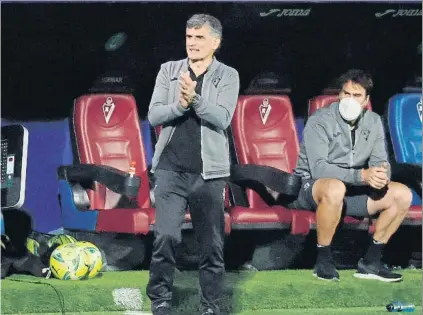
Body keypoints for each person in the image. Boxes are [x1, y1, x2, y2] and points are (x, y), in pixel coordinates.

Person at [146, 14, 240, 315]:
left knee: (211, 245)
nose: (193, 43)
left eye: (199, 38)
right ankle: (160, 299)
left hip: (209, 173)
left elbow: (223, 117)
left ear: (216, 42)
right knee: (166, 237)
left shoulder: (228, 75)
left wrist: (196, 100)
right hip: (170, 168)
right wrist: (180, 105)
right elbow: (154, 115)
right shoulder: (169, 70)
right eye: (189, 37)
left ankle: (210, 305)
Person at [286, 69, 412, 282]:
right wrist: (363, 176)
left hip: (350, 191)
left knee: (402, 194)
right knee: (335, 187)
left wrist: (381, 176)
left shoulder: (372, 122)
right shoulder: (320, 120)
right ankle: (323, 261)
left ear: (366, 100)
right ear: (339, 94)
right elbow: (318, 169)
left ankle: (371, 262)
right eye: (346, 94)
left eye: (356, 95)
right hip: (311, 188)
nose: (350, 100)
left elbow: (381, 162)